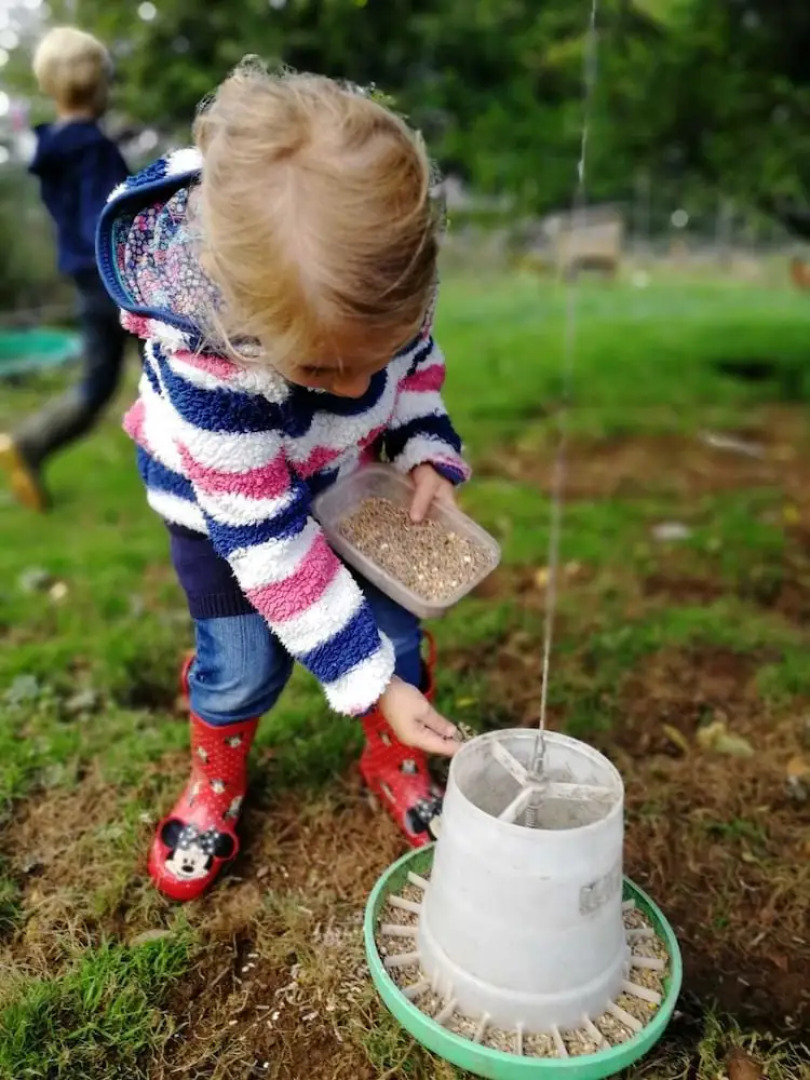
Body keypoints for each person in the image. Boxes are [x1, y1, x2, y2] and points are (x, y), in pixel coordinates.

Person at [96, 60, 469, 902]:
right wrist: (362, 677)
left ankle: (395, 750)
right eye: (320, 367)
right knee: (242, 665)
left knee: (397, 634)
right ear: (245, 321)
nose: (350, 389)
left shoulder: (380, 285)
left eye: (366, 358)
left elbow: (412, 375)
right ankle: (216, 781)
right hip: (223, 518)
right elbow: (264, 539)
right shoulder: (208, 361)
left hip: (346, 482)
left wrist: (422, 454)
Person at [0, 27, 129, 511]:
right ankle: (206, 461)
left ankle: (30, 444)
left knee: (100, 384)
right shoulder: (92, 150)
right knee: (174, 363)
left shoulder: (51, 146)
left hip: (84, 277)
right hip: (114, 279)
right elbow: (109, 216)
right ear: (98, 86)